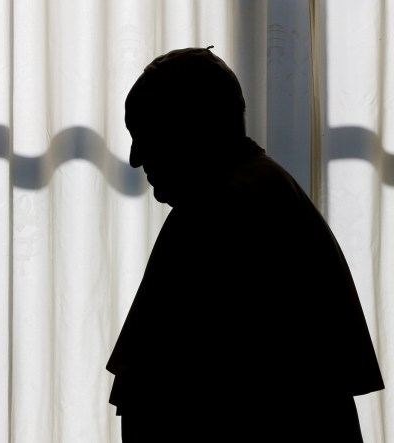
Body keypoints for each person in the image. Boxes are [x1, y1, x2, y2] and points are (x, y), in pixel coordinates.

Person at [106, 47, 385, 442]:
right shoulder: (264, 192)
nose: (135, 158)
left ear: (190, 128)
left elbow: (158, 392)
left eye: (146, 133)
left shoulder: (216, 212)